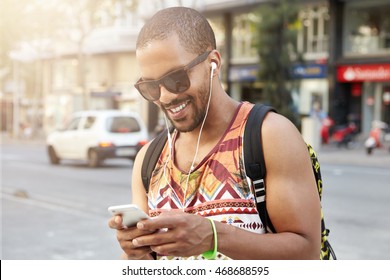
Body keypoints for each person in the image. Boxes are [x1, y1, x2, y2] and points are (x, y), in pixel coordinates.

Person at [108, 6, 321, 260]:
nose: (165, 96)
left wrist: (213, 237)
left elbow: (307, 252)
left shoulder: (269, 135)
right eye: (151, 87)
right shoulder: (148, 159)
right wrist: (135, 251)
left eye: (176, 79)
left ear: (213, 64)